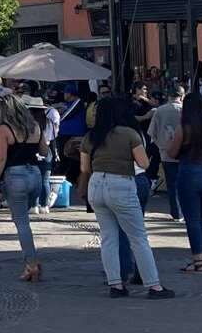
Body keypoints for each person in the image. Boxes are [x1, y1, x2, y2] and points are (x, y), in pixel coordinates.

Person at [80, 97, 174, 299]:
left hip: (96, 185)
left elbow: (84, 168)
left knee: (108, 237)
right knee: (138, 238)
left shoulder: (91, 136)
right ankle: (154, 286)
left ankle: (116, 284)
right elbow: (144, 163)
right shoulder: (129, 134)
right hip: (120, 184)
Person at [0, 95, 48, 283]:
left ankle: (31, 264)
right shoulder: (35, 127)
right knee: (24, 218)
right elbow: (44, 152)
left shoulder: (4, 129)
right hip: (35, 175)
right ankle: (30, 263)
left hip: (15, 175)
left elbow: (0, 158)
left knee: (22, 223)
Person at [166, 92, 202, 273]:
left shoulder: (183, 129)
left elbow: (171, 153)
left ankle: (197, 262)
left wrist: (170, 141)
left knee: (192, 220)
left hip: (189, 172)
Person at [148, 87, 185, 221]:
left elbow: (152, 133)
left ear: (168, 96)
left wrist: (161, 146)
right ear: (182, 96)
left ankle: (176, 213)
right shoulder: (185, 110)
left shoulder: (159, 111)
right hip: (184, 151)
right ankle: (187, 211)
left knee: (172, 184)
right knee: (186, 182)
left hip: (166, 152)